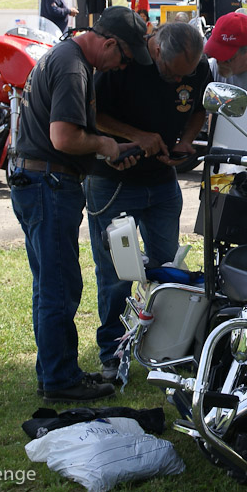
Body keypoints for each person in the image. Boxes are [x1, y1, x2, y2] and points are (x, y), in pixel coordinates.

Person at [11, 6, 151, 404]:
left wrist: (106, 154)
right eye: (123, 58)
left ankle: (57, 371)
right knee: (59, 286)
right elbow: (64, 138)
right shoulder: (73, 67)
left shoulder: (64, 55)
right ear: (108, 43)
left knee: (50, 285)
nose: (122, 67)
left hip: (38, 179)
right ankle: (58, 380)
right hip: (48, 184)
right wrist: (105, 144)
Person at [84, 21, 212, 380]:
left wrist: (186, 139)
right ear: (156, 50)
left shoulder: (196, 66)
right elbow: (92, 114)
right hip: (113, 181)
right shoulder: (122, 62)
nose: (176, 82)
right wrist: (137, 136)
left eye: (183, 76)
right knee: (115, 273)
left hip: (161, 182)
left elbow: (200, 106)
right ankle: (112, 350)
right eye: (172, 73)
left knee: (167, 270)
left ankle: (164, 348)